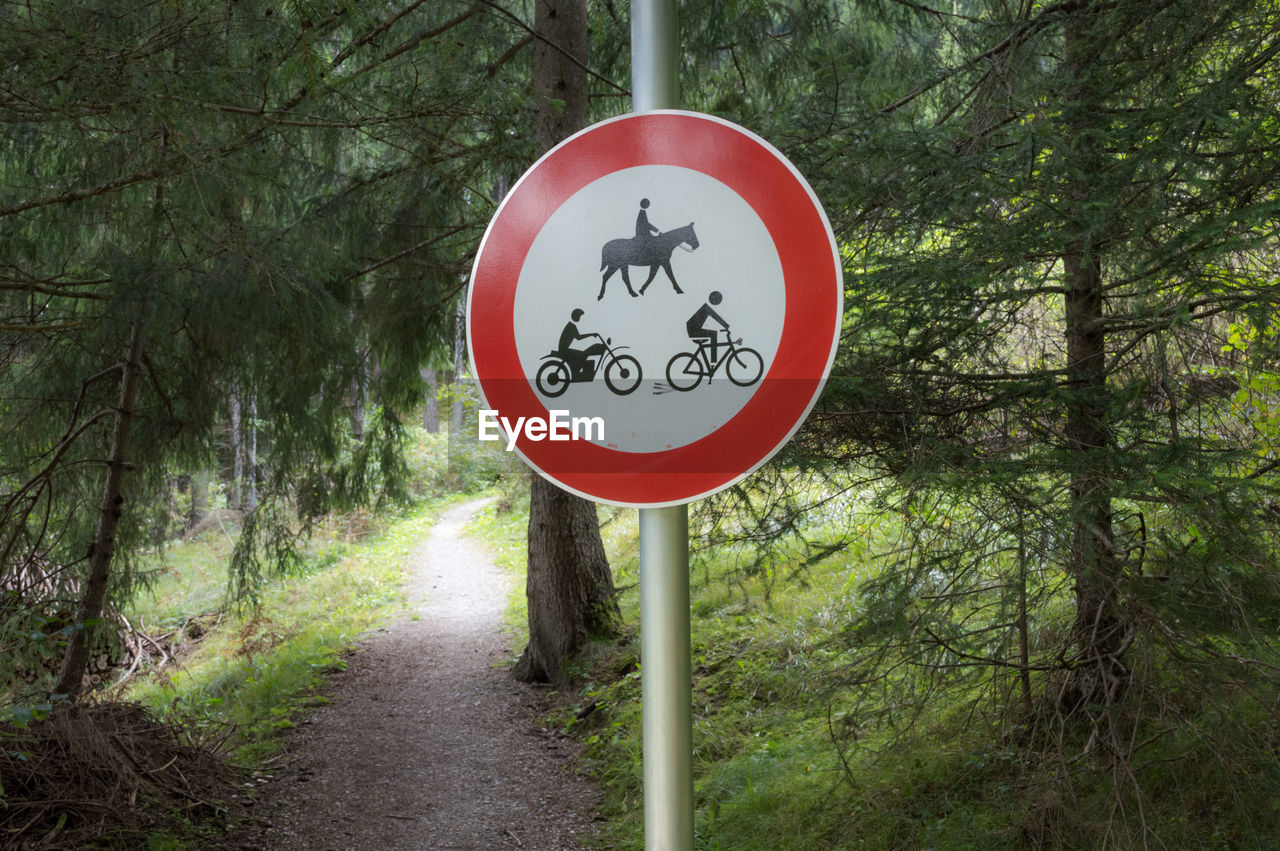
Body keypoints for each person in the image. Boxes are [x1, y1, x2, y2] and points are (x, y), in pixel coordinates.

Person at [557, 308, 607, 379]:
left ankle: (578, 372)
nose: (580, 318)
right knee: (584, 354)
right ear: (576, 316)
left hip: (564, 349)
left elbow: (578, 337)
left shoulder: (571, 325)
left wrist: (592, 334)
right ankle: (576, 373)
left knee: (584, 354)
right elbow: (579, 337)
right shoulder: (571, 326)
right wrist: (592, 334)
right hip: (564, 350)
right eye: (579, 316)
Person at [685, 291, 730, 363]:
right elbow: (715, 316)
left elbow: (714, 316)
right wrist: (725, 325)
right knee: (713, 334)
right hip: (693, 330)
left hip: (693, 328)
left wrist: (725, 325)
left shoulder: (705, 307)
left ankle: (713, 362)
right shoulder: (706, 308)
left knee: (713, 333)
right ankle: (713, 362)